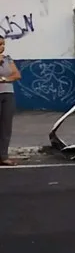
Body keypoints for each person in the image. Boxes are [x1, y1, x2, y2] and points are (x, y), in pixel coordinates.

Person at [0, 36, 21, 166]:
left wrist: (4, 79)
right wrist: (7, 77)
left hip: (8, 94)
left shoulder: (7, 59)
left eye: (3, 44)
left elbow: (17, 75)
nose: (2, 47)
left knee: (6, 126)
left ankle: (3, 155)